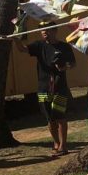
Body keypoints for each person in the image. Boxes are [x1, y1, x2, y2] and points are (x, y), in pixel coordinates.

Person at [14, 25, 76, 156]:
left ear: (55, 30)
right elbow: (22, 49)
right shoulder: (39, 45)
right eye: (42, 30)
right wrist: (15, 38)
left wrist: (64, 67)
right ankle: (56, 143)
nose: (44, 32)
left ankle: (63, 146)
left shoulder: (64, 47)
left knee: (60, 116)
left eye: (47, 29)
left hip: (60, 87)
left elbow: (73, 63)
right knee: (49, 118)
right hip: (43, 88)